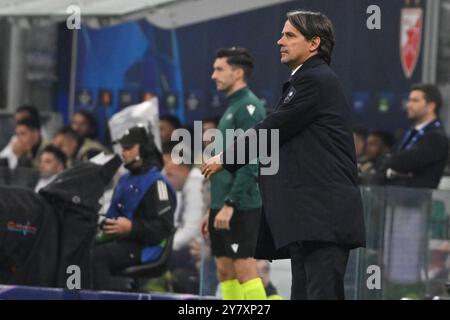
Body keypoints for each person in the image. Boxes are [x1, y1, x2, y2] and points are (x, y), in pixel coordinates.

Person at [202, 10, 366, 300]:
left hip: (324, 218)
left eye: (290, 35)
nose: (280, 41)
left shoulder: (316, 80)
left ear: (314, 43)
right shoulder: (306, 81)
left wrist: (226, 158)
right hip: (309, 220)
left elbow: (272, 127)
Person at [200, 47, 267, 300]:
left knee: (244, 267)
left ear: (237, 73)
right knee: (224, 271)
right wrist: (213, 207)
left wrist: (230, 203)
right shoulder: (232, 107)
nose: (213, 75)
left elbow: (252, 159)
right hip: (222, 204)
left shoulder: (249, 107)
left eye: (219, 69)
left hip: (240, 204)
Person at [92, 126, 176, 291]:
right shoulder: (124, 180)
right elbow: (112, 216)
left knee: (97, 256)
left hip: (146, 248)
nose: (123, 152)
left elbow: (163, 228)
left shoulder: (158, 183)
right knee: (81, 249)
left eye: (128, 148)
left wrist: (131, 228)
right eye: (122, 148)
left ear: (144, 149)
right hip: (121, 243)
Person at [384, 84, 449, 189]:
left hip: (416, 201)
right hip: (394, 198)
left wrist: (390, 162)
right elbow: (389, 158)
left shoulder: (436, 137)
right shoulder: (410, 131)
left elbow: (403, 162)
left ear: (431, 106)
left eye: (415, 101)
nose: (409, 105)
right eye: (409, 100)